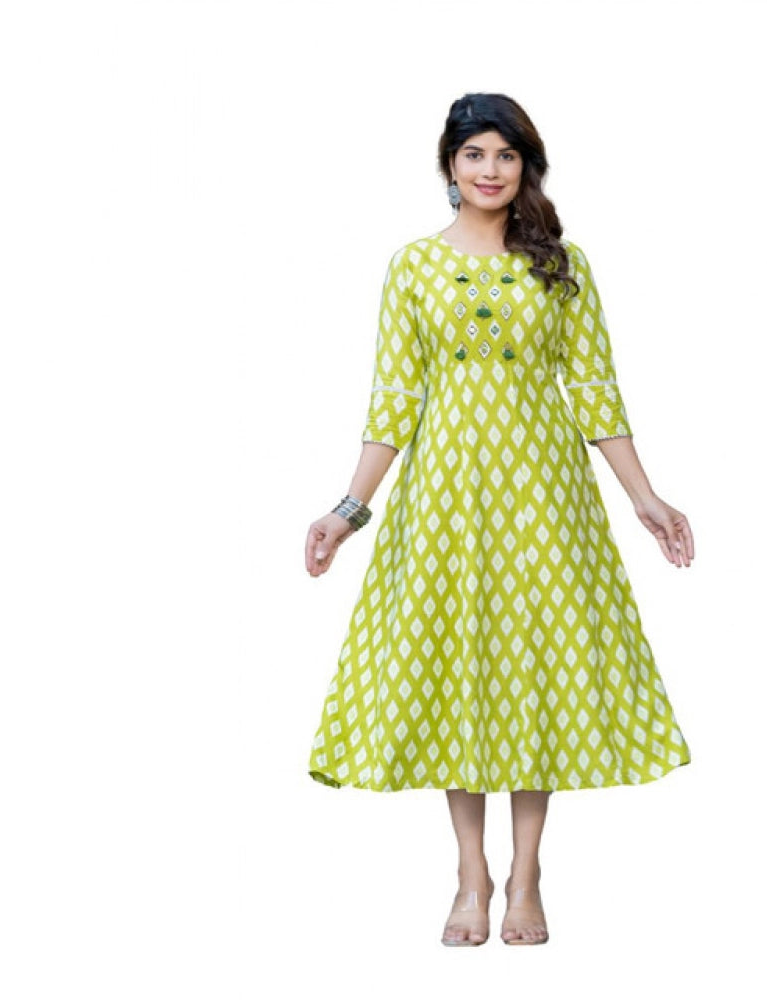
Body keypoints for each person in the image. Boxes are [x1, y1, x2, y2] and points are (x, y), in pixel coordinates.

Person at [303, 92, 695, 947]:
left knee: (534, 662)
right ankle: (470, 874)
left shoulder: (562, 263)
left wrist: (646, 498)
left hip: (543, 497)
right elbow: (395, 398)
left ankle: (528, 875)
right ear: (450, 165)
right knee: (459, 666)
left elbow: (595, 389)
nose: (490, 170)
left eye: (506, 155)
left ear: (527, 166)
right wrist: (347, 511)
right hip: (445, 498)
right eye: (475, 154)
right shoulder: (413, 266)